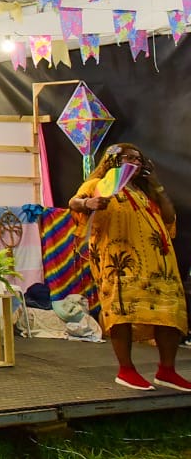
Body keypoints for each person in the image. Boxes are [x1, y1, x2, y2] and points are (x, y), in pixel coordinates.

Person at [69, 143, 190, 391]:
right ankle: (126, 370)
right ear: (113, 160)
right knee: (121, 311)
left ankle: (166, 371)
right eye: (129, 158)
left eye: (139, 159)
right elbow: (74, 202)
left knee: (169, 314)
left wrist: (156, 184)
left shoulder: (146, 191)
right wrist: (88, 204)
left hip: (159, 264)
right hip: (120, 260)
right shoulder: (99, 185)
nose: (136, 162)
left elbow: (168, 218)